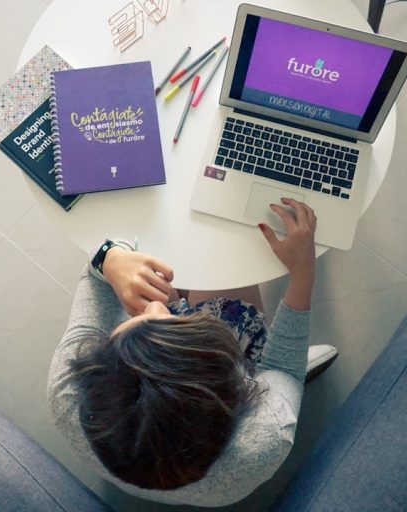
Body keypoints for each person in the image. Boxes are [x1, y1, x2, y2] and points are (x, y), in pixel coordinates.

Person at [47, 198, 336, 507]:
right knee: (222, 265)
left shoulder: (72, 385)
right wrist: (303, 271)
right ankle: (267, 381)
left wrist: (112, 257)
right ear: (225, 377)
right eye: (171, 318)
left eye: (134, 324)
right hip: (240, 405)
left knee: (154, 273)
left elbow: (96, 272)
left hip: (146, 453)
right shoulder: (264, 438)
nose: (160, 304)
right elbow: (283, 367)